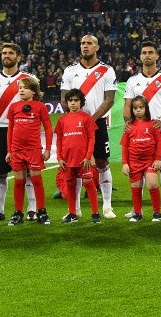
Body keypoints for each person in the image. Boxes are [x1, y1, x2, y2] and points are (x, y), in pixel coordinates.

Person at [60, 35, 118, 219]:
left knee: (102, 162)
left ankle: (107, 206)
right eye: (82, 43)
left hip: (96, 123)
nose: (85, 46)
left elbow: (109, 100)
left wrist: (89, 121)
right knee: (73, 166)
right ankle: (75, 209)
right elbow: (64, 99)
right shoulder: (70, 71)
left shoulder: (107, 70)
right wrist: (77, 119)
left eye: (89, 43)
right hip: (73, 124)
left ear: (97, 47)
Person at [0, 42, 39, 223]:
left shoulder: (29, 78)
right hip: (0, 130)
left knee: (28, 171)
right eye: (4, 53)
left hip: (23, 131)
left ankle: (32, 210)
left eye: (10, 53)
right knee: (0, 172)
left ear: (18, 57)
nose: (6, 56)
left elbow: (36, 104)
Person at [123, 41, 161, 218]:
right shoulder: (133, 80)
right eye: (144, 52)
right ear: (140, 57)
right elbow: (127, 105)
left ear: (156, 56)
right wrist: (128, 121)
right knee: (136, 171)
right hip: (138, 132)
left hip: (160, 131)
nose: (147, 55)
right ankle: (136, 209)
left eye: (150, 52)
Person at [5, 77, 53, 225]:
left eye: (25, 87)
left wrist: (48, 149)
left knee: (37, 181)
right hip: (17, 151)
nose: (21, 90)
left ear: (33, 90)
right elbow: (10, 130)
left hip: (33, 150)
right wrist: (9, 151)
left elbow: (48, 128)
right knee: (19, 182)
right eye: (20, 87)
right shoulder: (13, 107)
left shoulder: (40, 107)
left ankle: (42, 212)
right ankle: (18, 213)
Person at [55, 89, 100, 224]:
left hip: (83, 160)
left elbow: (92, 138)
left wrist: (88, 156)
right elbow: (59, 140)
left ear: (81, 102)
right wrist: (59, 158)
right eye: (70, 100)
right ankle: (72, 213)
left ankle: (95, 213)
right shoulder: (62, 119)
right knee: (70, 185)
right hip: (67, 160)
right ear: (67, 102)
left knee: (88, 183)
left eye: (76, 100)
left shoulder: (86, 118)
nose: (73, 103)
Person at [121, 96, 161, 222]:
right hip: (134, 161)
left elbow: (160, 142)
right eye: (135, 108)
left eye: (141, 107)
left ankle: (157, 213)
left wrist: (158, 159)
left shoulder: (153, 124)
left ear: (146, 108)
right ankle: (137, 213)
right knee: (136, 186)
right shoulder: (128, 126)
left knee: (152, 184)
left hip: (150, 160)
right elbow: (125, 146)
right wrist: (125, 163)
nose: (138, 110)